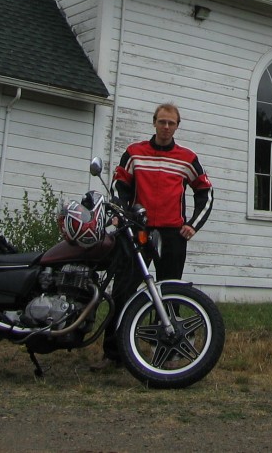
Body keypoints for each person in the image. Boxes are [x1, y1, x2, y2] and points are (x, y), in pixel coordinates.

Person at [99, 103, 213, 365]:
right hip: (137, 233)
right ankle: (114, 354)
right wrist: (120, 212)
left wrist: (193, 224)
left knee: (169, 294)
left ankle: (164, 352)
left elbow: (205, 192)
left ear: (177, 126)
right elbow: (120, 187)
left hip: (173, 235)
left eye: (171, 123)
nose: (165, 127)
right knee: (123, 291)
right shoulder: (134, 153)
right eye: (162, 122)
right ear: (154, 122)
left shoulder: (187, 158)